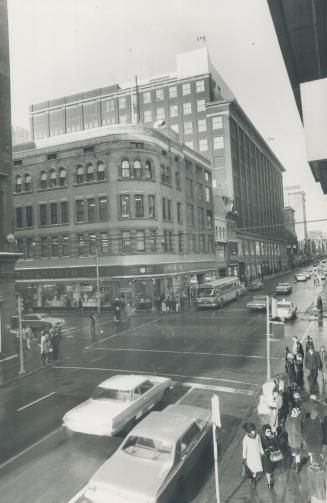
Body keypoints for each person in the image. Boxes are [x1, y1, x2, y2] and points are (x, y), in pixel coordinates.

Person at [242, 423, 264, 488]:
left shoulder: (257, 436)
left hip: (256, 456)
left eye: (254, 430)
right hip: (250, 457)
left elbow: (260, 445)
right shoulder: (245, 438)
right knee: (251, 469)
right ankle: (252, 480)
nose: (254, 432)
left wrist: (262, 453)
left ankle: (253, 480)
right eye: (252, 431)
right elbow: (244, 449)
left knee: (255, 469)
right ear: (249, 431)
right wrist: (244, 458)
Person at [260, 424, 279, 489]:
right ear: (264, 432)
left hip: (273, 456)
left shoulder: (272, 436)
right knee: (268, 471)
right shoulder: (262, 438)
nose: (269, 432)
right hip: (266, 458)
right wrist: (266, 449)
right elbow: (261, 447)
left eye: (269, 431)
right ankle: (269, 484)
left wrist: (274, 436)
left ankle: (270, 477)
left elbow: (277, 443)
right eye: (267, 431)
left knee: (271, 470)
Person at [285, 407, 304, 471]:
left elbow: (286, 429)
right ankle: (297, 466)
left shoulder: (288, 420)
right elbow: (299, 432)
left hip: (290, 439)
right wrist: (302, 440)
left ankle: (293, 463)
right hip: (297, 441)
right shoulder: (297, 421)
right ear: (297, 414)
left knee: (293, 451)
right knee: (297, 453)